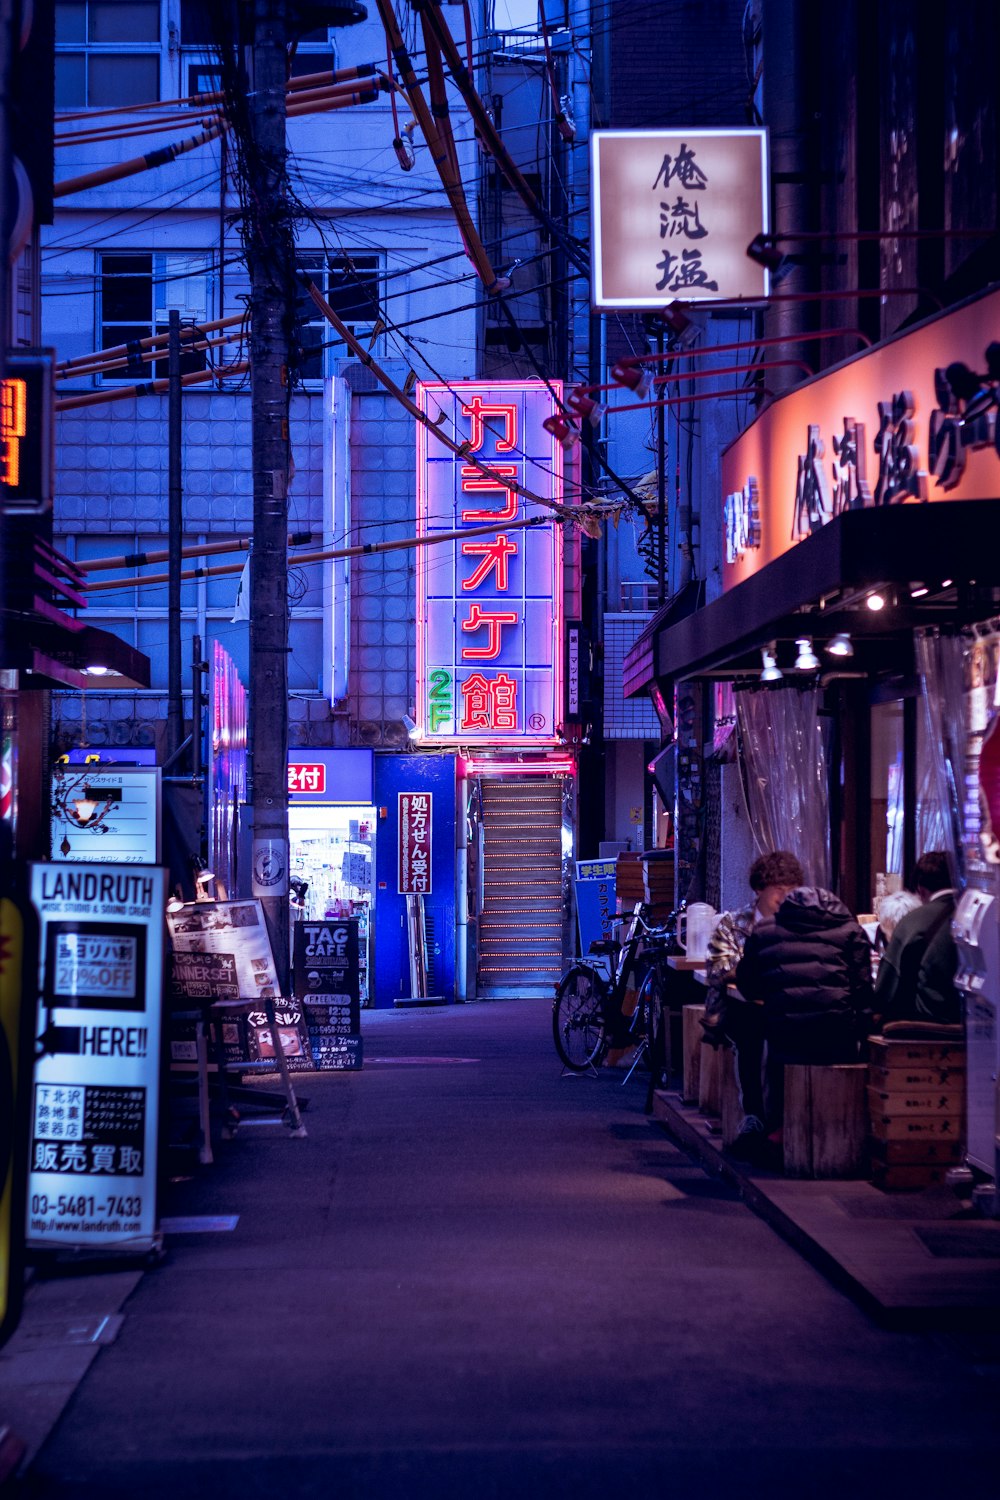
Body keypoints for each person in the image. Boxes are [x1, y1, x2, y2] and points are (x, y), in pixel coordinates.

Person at [735, 884, 874, 1152]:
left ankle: (774, 1128)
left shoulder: (764, 931)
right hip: (838, 1034)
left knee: (760, 1033)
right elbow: (862, 991)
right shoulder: (851, 931)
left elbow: (747, 985)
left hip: (785, 1034)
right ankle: (843, 1137)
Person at [702, 850, 805, 1158]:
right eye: (779, 891)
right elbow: (718, 968)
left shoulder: (802, 922)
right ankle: (755, 1116)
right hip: (739, 1007)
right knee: (752, 1030)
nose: (785, 898)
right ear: (760, 888)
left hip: (789, 1006)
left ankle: (785, 1120)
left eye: (792, 892)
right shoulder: (734, 924)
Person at [873, 851, 960, 1026]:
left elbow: (886, 990)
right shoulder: (978, 915)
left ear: (920, 889)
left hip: (925, 1025)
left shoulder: (913, 921)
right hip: (976, 1024)